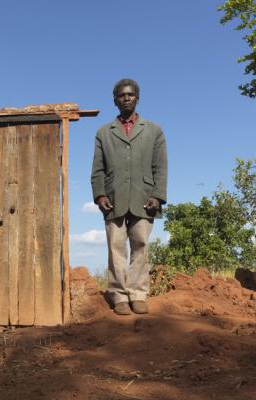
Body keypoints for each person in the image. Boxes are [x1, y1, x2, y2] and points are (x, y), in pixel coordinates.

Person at [90, 78, 167, 315]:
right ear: (115, 100)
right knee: (115, 248)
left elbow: (161, 167)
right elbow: (98, 170)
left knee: (140, 246)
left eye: (131, 95)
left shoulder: (153, 130)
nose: (126, 98)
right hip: (113, 199)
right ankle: (119, 295)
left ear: (138, 98)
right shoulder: (104, 132)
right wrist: (100, 195)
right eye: (122, 95)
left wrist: (157, 195)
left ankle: (138, 294)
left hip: (145, 198)